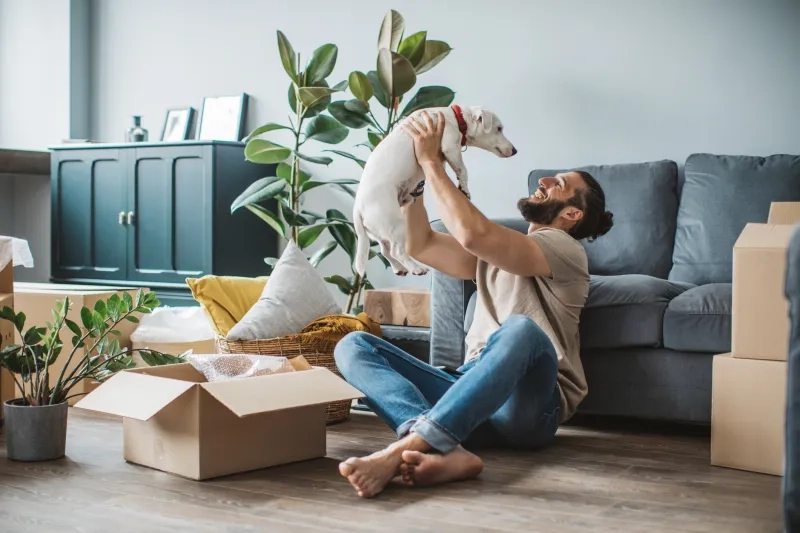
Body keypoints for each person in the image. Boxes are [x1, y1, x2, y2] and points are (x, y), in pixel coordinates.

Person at [333, 110, 614, 498]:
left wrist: (433, 161)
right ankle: (450, 450)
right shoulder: (493, 256)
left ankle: (406, 448)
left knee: (520, 330)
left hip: (530, 408)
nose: (544, 179)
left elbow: (473, 233)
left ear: (571, 214)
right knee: (352, 345)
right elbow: (422, 245)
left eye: (559, 184)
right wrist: (415, 179)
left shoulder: (566, 252)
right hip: (468, 391)